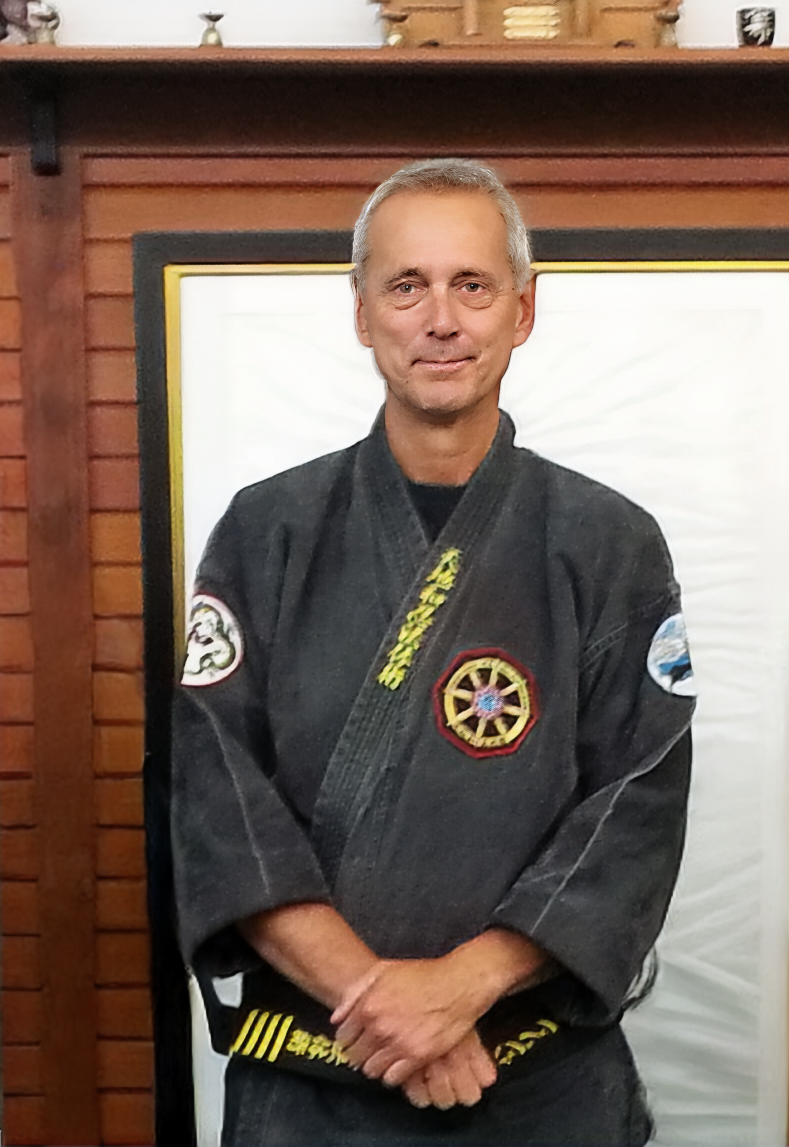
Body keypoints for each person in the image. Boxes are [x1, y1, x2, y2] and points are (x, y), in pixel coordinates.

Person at [170, 158, 695, 1147]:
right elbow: (217, 798)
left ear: (523, 311)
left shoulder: (609, 540)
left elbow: (639, 801)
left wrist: (463, 987)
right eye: (407, 286)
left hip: (537, 1074)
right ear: (363, 314)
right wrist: (393, 1011)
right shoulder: (267, 530)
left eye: (472, 285)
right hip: (319, 1075)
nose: (440, 319)